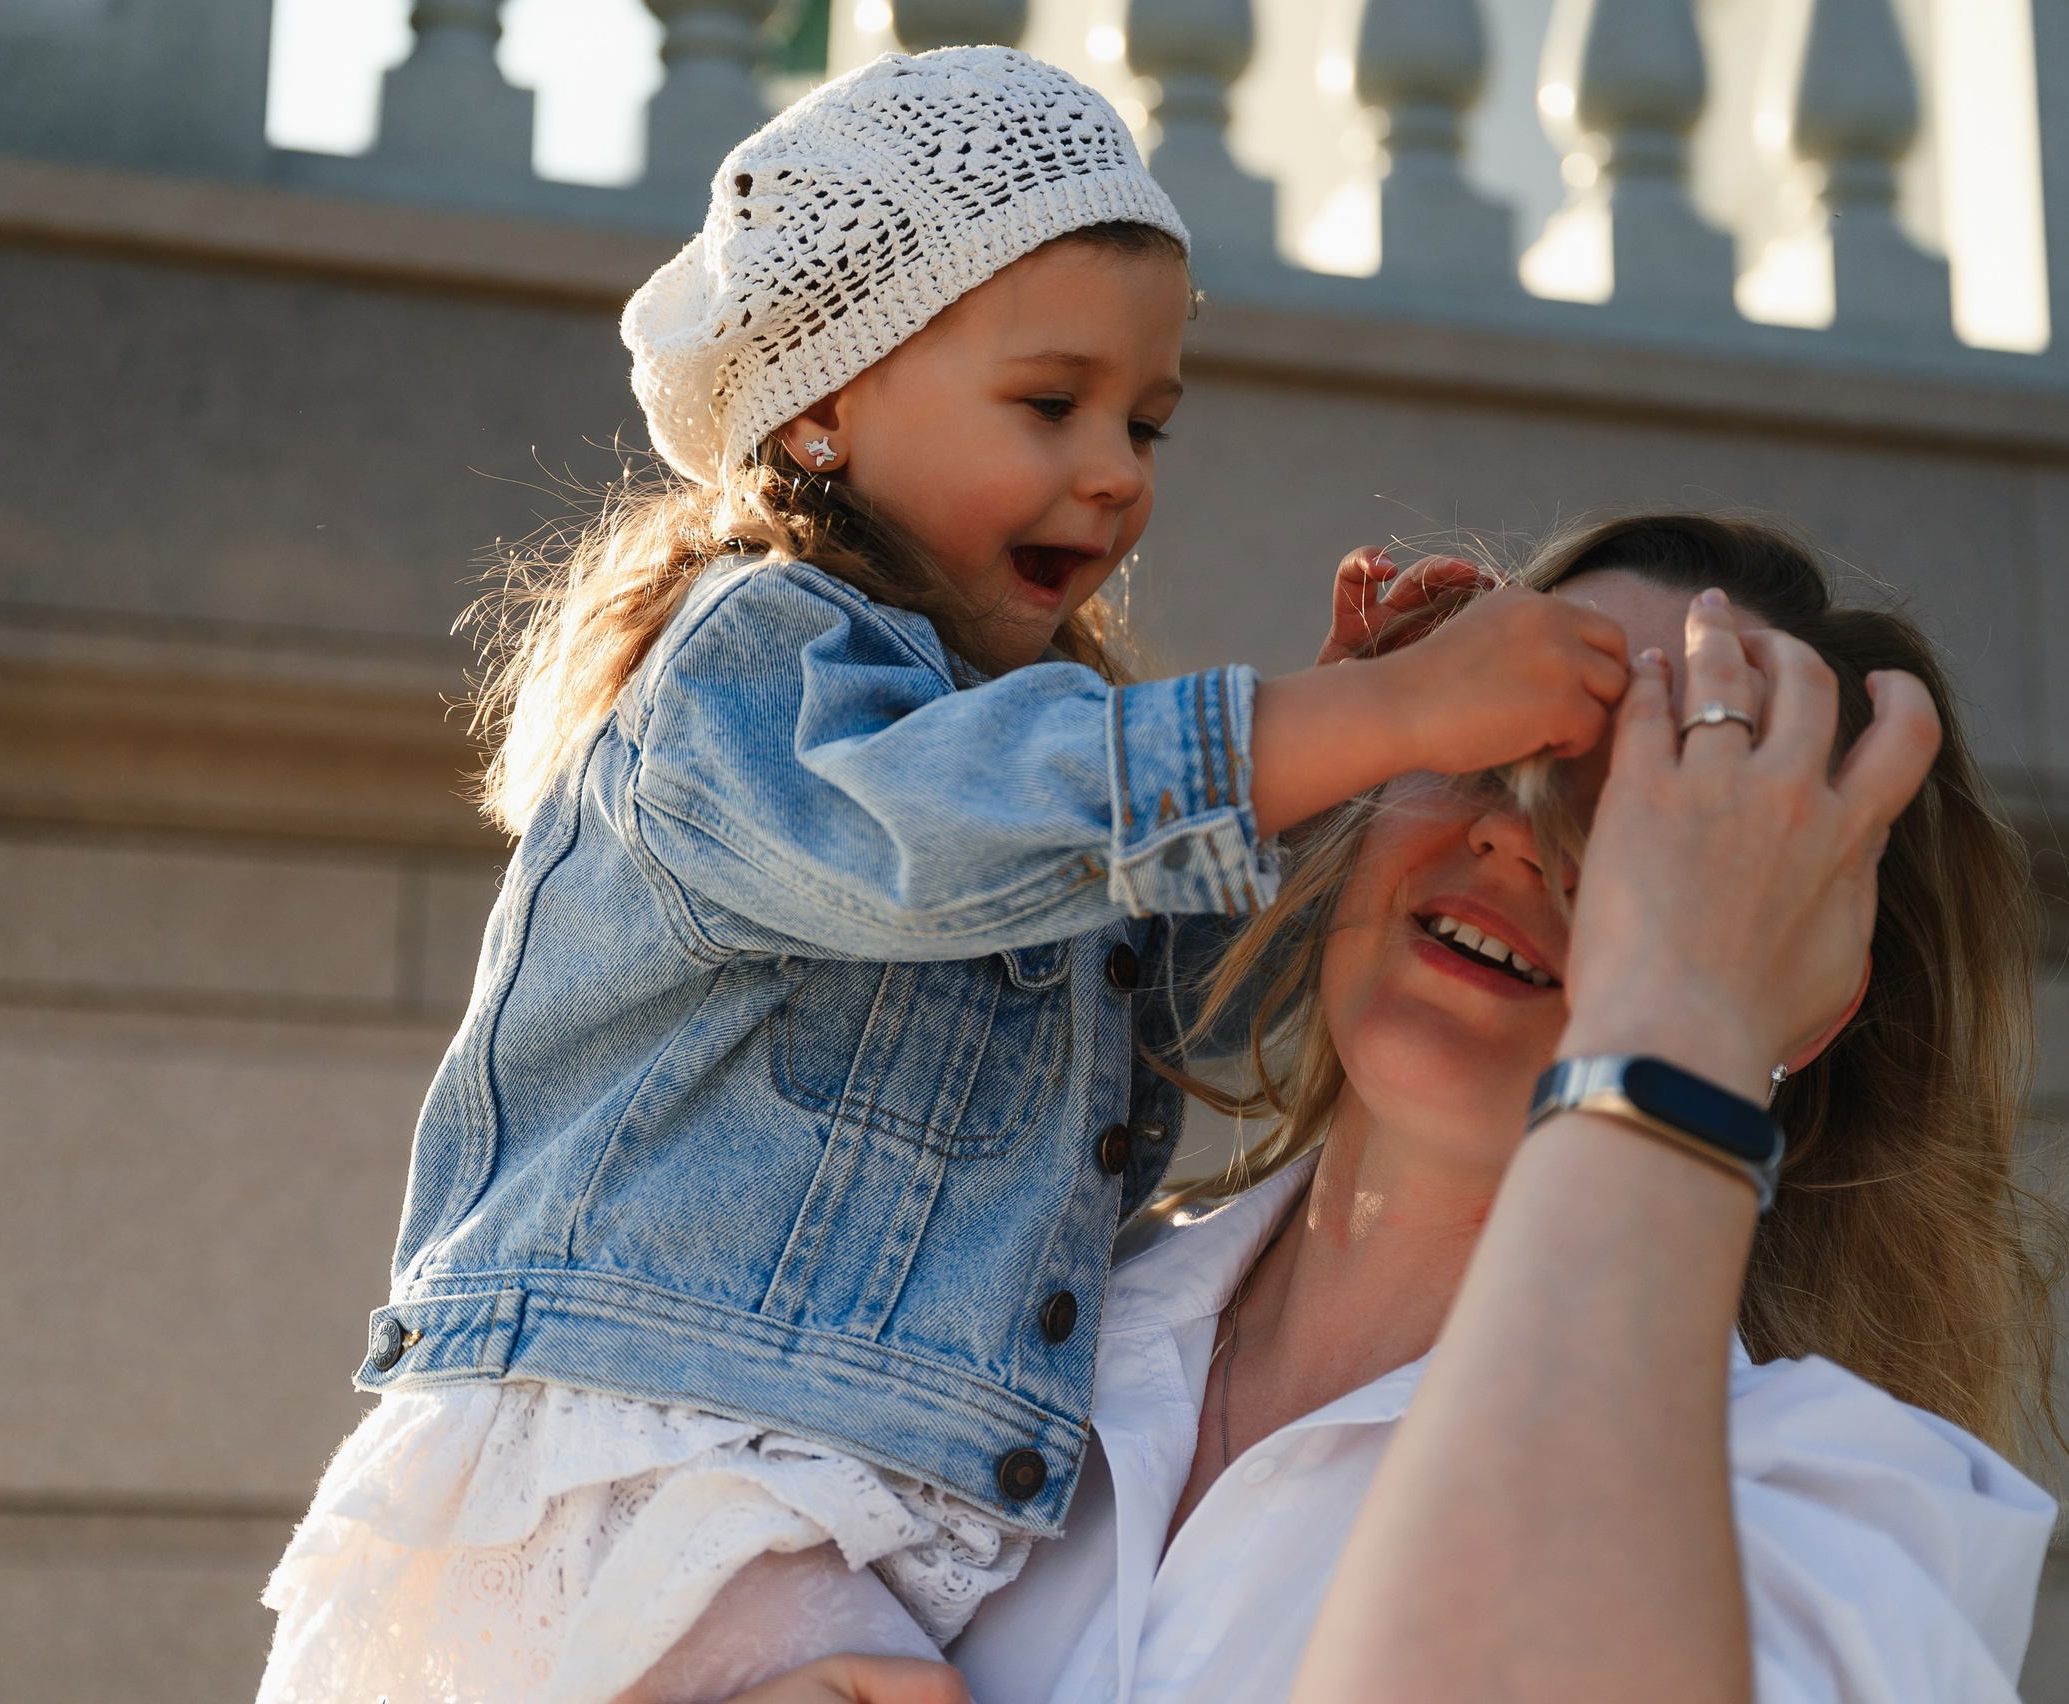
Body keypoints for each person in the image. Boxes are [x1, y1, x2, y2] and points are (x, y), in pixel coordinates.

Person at [254, 47, 1639, 1704]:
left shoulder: (1051, 743)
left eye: (1146, 420)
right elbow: (924, 836)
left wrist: (1333, 774)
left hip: (823, 1502)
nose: (1117, 466)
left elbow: (1189, 1007)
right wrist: (1347, 717)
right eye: (1049, 405)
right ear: (828, 404)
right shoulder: (756, 664)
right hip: (651, 1460)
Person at [724, 514, 2069, 1704]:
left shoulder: (1845, 1521)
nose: (1517, 832)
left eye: (1650, 828)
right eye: (1499, 743)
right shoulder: (973, 1316)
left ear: (1792, 983)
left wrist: (1675, 1031)